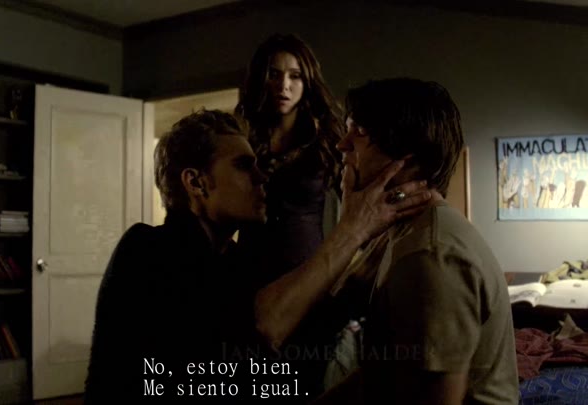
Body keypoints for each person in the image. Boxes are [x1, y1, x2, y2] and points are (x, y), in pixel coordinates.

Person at [84, 109, 430, 403]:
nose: (262, 177)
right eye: (243, 166)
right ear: (197, 183)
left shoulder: (234, 261)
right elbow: (254, 335)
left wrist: (379, 233)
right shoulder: (147, 250)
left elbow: (313, 328)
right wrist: (352, 228)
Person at [316, 78, 519, 404]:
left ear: (406, 159)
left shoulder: (430, 255)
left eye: (359, 132)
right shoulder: (402, 234)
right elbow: (380, 373)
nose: (342, 144)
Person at [233, 33, 348, 395]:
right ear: (261, 78)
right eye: (274, 74)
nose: (284, 85)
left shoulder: (326, 139)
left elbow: (354, 207)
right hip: (250, 276)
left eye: (295, 76)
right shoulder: (242, 136)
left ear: (307, 80)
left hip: (306, 278)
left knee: (303, 384)